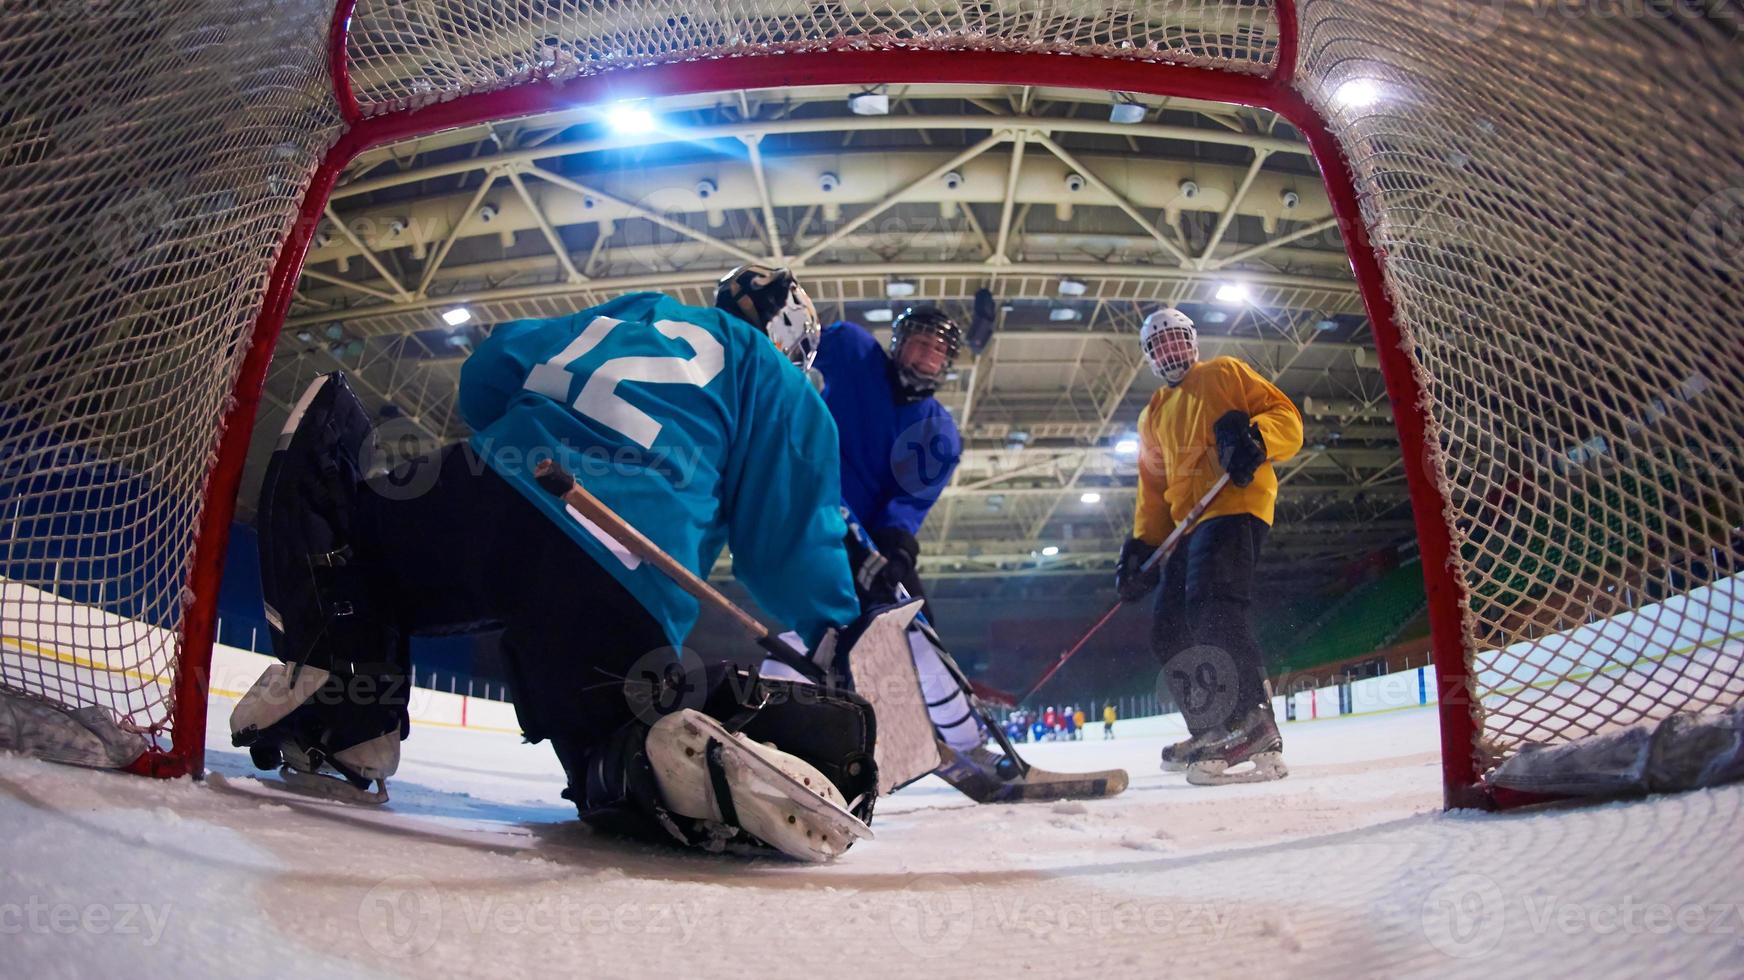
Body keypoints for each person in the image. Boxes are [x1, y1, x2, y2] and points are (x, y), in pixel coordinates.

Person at [230, 264, 883, 861]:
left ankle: (347, 717)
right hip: (614, 566)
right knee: (612, 747)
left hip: (485, 490)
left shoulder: (640, 311)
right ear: (793, 343)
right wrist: (831, 629)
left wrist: (540, 424)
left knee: (352, 542)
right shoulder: (781, 385)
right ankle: (659, 760)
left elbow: (487, 372)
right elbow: (788, 543)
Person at [818, 310, 1127, 802]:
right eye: (919, 343)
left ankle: (970, 745)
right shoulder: (854, 352)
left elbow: (906, 502)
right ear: (898, 343)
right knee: (817, 629)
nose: (926, 355)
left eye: (938, 350)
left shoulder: (938, 430)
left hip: (866, 540)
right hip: (814, 518)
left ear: (948, 363)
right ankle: (798, 730)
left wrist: (896, 548)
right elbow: (795, 340)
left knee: (916, 628)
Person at [1115, 307, 1303, 786]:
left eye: (1177, 341)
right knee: (1168, 627)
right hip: (1188, 524)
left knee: (1214, 605)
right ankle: (1212, 727)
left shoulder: (1224, 373)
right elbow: (1153, 489)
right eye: (1160, 346)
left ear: (1192, 342)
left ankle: (1253, 724)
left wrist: (1256, 437)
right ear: (1150, 357)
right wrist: (1142, 546)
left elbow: (1286, 417)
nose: (1171, 352)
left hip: (1235, 504)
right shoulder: (1152, 414)